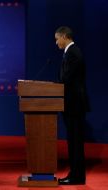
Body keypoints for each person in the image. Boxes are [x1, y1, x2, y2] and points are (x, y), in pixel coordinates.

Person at [55, 26, 89, 185]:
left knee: (75, 142)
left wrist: (55, 87)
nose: (56, 43)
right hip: (72, 104)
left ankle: (76, 176)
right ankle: (75, 175)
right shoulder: (70, 52)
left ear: (64, 36)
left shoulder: (73, 53)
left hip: (74, 104)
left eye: (57, 39)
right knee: (73, 141)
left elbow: (67, 79)